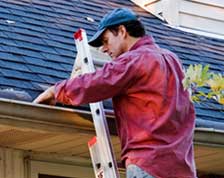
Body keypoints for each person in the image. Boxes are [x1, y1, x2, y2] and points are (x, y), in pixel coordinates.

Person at [34, 8, 197, 178]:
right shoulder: (173, 60)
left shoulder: (135, 59)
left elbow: (98, 82)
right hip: (182, 168)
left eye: (106, 40)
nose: (104, 49)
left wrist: (55, 91)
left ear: (122, 31)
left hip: (148, 164)